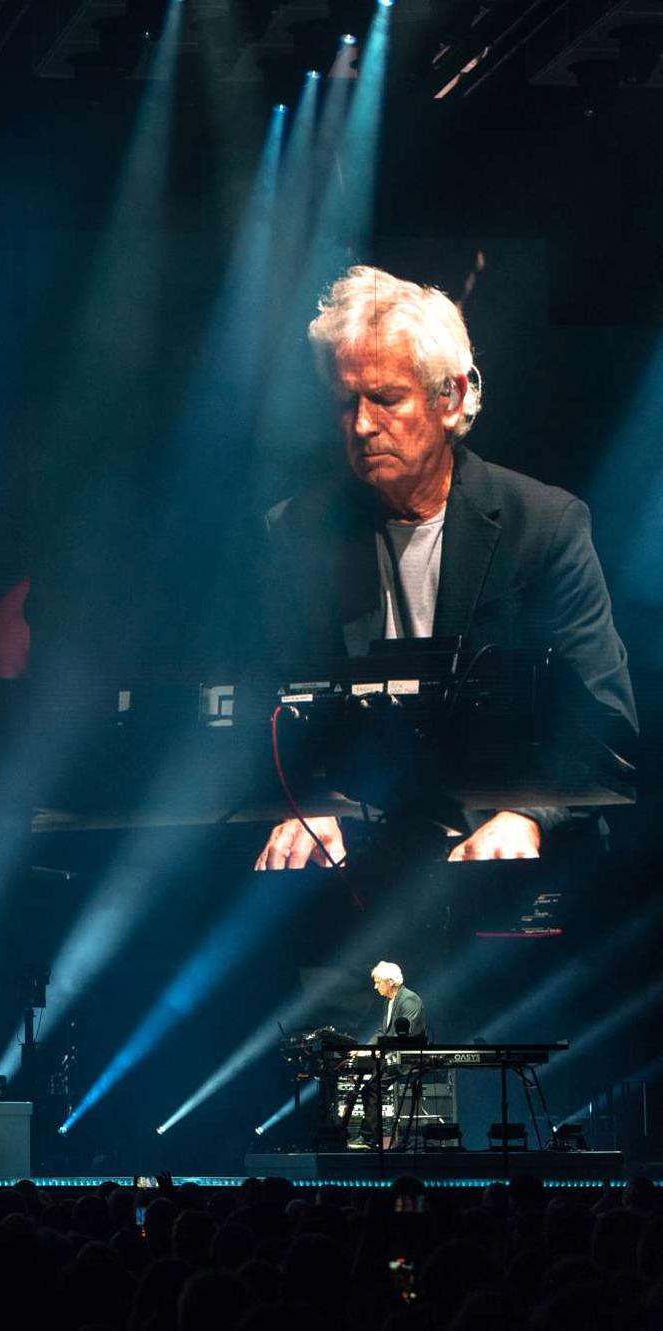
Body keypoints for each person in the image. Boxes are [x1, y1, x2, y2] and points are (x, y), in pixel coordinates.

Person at [253, 265, 637, 871]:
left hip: (507, 855)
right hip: (364, 854)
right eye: (345, 402)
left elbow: (605, 721)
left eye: (385, 399)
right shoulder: (298, 531)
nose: (361, 425)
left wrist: (529, 815)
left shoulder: (545, 525)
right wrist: (310, 804)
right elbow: (266, 711)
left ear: (450, 397)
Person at [339, 961, 428, 1147]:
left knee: (371, 1089)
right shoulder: (389, 1002)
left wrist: (375, 1051)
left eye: (378, 982)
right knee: (370, 1089)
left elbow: (404, 1036)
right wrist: (365, 1050)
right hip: (392, 1055)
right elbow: (383, 1031)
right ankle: (369, 1136)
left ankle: (372, 1139)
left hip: (406, 1058)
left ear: (390, 981)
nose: (375, 986)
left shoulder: (409, 1000)